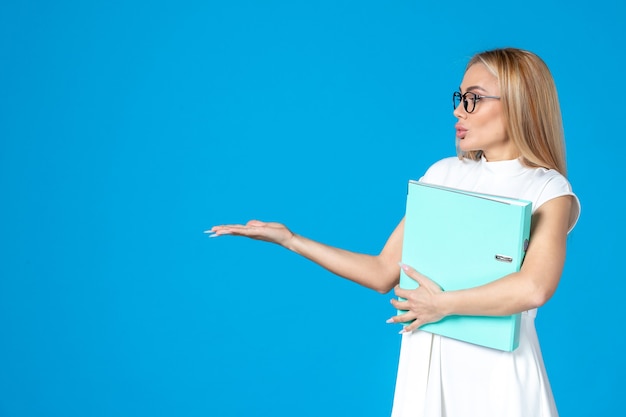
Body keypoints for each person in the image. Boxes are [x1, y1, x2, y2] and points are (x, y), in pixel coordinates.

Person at [207, 47, 580, 417]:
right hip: (429, 361)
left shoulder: (549, 190)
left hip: (497, 373)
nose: (457, 111)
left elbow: (535, 287)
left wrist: (442, 305)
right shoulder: (443, 174)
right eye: (459, 98)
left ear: (519, 104)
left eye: (473, 100)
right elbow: (384, 270)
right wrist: (290, 240)